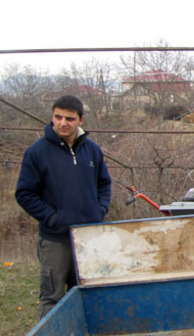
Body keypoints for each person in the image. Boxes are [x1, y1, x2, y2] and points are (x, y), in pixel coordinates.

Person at [15, 95, 112, 319]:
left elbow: (104, 184)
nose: (62, 123)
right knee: (53, 297)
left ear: (80, 120)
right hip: (55, 240)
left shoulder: (92, 151)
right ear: (52, 118)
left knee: (88, 293)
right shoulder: (36, 153)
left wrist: (99, 211)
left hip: (88, 238)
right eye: (58, 117)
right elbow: (24, 193)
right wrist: (52, 217)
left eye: (69, 118)